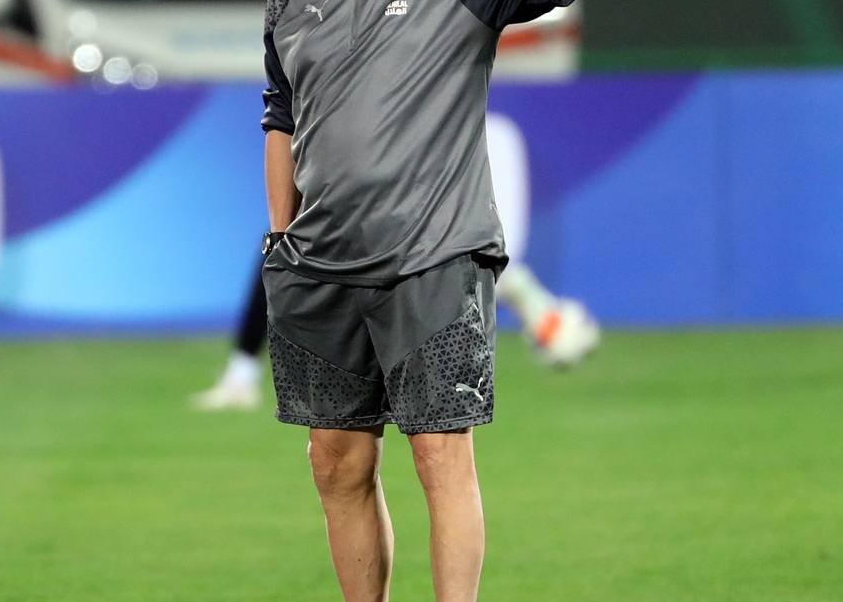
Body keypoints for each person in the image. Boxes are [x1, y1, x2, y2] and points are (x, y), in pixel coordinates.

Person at [257, 0, 707, 602]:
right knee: (337, 463)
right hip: (324, 263)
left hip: (434, 249)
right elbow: (280, 110)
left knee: (439, 455)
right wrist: (280, 227)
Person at [192, 112, 600, 412]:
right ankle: (244, 375)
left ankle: (247, 376)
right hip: (368, 212)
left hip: (407, 242)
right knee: (283, 252)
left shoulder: (472, 130)